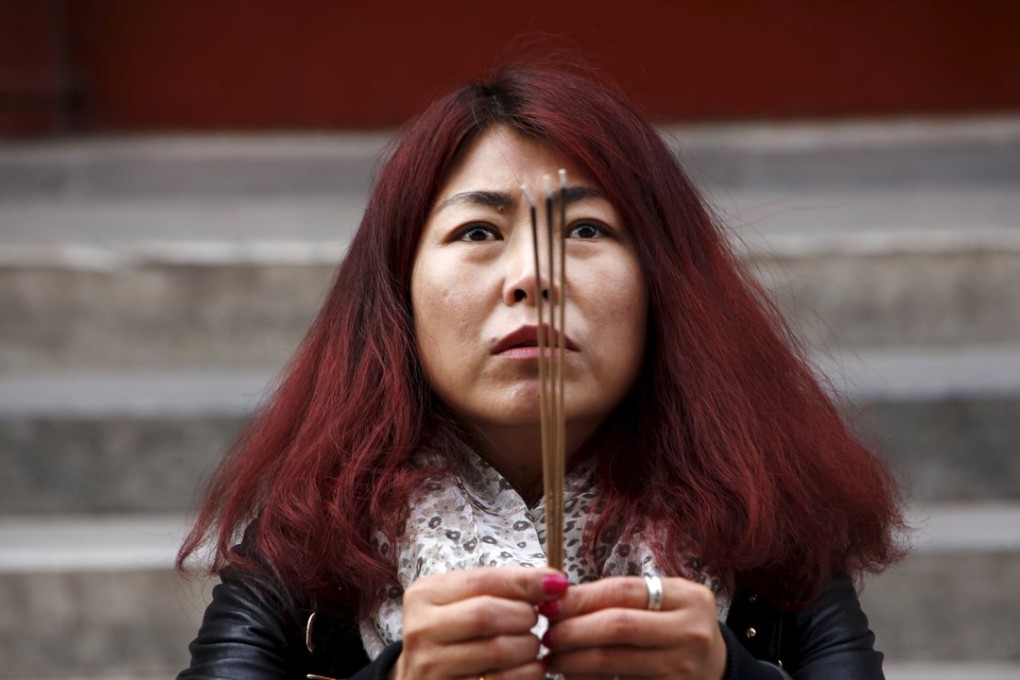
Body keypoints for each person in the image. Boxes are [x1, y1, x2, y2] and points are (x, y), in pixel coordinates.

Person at [176, 62, 904, 680]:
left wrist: (726, 673)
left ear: (664, 289)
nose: (532, 276)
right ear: (398, 295)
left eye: (585, 230)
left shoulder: (758, 525)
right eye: (478, 232)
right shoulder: (315, 538)